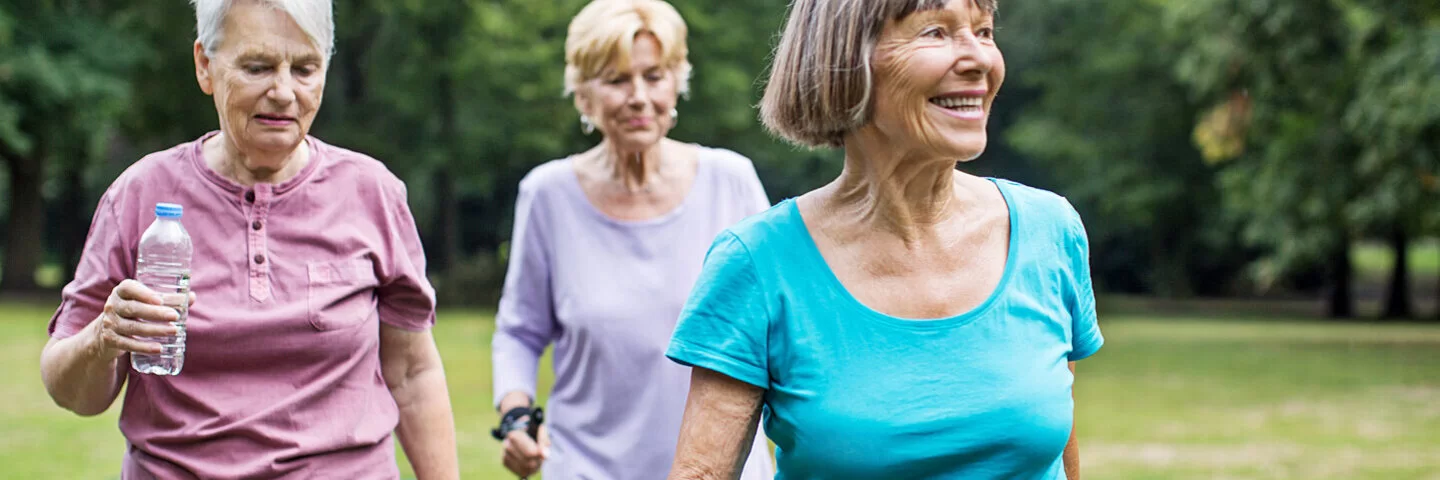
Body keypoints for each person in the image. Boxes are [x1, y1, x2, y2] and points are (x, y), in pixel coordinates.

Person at [665, 0, 1103, 478]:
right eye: (935, 32)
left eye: (983, 31)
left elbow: (1058, 452)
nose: (979, 58)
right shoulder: (757, 263)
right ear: (848, 60)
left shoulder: (1050, 230)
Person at [38, 0, 459, 478]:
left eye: (305, 68)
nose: (284, 92)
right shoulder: (140, 193)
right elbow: (70, 390)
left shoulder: (372, 193)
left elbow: (412, 373)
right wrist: (102, 338)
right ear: (205, 65)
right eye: (257, 67)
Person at [488, 1, 776, 478]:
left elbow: (782, 325)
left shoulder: (731, 181)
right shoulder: (547, 195)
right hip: (588, 467)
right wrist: (516, 415)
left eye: (654, 76)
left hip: (722, 470)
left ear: (677, 83)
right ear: (582, 95)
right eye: (618, 80)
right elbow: (519, 330)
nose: (639, 96)